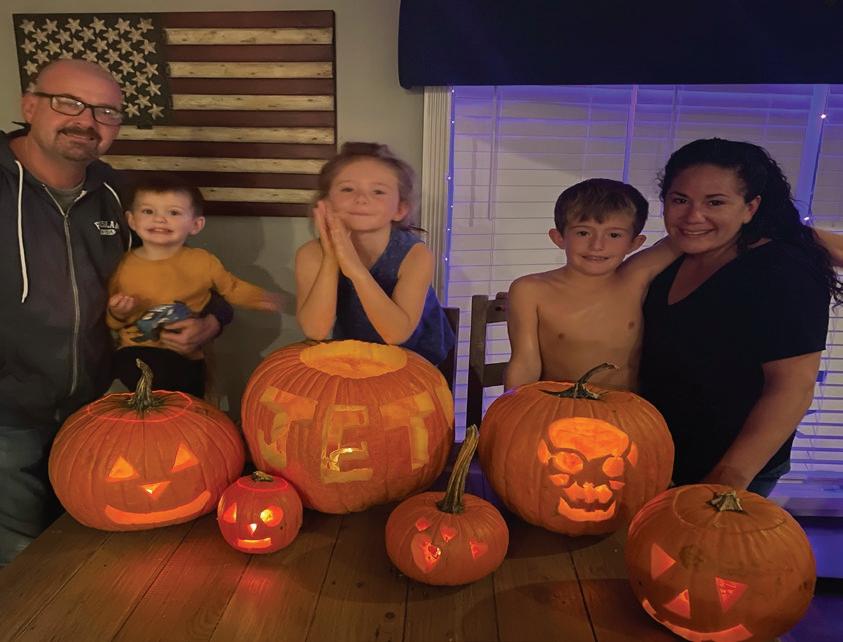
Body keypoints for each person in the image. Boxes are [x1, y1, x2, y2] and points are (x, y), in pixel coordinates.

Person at [0, 59, 227, 565]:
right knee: (18, 562)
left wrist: (211, 320)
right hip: (7, 416)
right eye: (69, 103)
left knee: (83, 548)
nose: (86, 120)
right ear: (30, 106)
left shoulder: (117, 195)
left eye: (106, 111)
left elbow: (184, 274)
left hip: (95, 407)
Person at [639, 138, 842, 496]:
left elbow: (792, 388)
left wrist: (727, 479)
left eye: (715, 202)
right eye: (680, 200)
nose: (693, 216)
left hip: (729, 469)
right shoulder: (671, 257)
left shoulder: (781, 270)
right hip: (660, 456)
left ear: (750, 208)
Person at [108, 175, 281, 398]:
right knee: (150, 392)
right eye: (148, 211)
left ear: (195, 224)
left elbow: (232, 288)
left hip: (188, 355)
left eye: (173, 212)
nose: (159, 219)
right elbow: (113, 319)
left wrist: (264, 298)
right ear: (131, 220)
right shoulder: (123, 265)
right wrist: (118, 312)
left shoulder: (203, 262)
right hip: (137, 352)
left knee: (190, 402)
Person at [505, 178, 681, 390]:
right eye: (583, 233)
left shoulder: (635, 277)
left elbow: (683, 237)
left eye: (614, 235)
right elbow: (524, 364)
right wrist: (513, 406)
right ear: (559, 237)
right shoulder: (530, 290)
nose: (597, 245)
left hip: (628, 407)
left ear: (635, 243)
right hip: (561, 406)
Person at [295, 142, 455, 365]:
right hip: (355, 359)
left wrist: (354, 268)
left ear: (400, 209)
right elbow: (316, 330)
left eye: (378, 191)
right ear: (326, 202)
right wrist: (331, 259)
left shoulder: (416, 255)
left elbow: (396, 334)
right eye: (347, 189)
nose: (361, 198)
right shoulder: (311, 255)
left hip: (417, 361)